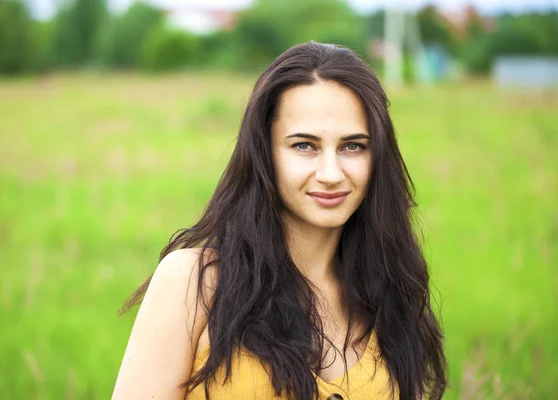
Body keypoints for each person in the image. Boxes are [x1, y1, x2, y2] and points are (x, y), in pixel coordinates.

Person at [112, 42, 447, 400]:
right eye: (305, 145)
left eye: (353, 146)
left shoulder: (392, 289)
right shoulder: (194, 284)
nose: (331, 173)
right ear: (264, 154)